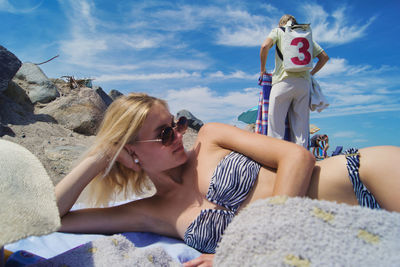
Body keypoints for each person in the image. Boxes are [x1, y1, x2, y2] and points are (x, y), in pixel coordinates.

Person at [56, 93, 400, 267]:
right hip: (345, 234)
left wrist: (247, 248)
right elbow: (55, 218)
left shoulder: (210, 138)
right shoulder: (152, 213)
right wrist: (98, 157)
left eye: (176, 124)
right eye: (163, 134)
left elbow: (297, 156)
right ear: (132, 154)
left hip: (366, 179)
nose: (178, 135)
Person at [260, 14, 329, 148]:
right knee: (301, 128)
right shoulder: (305, 36)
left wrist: (262, 70)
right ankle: (302, 160)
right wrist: (311, 73)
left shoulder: (278, 31)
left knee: (276, 126)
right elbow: (324, 57)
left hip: (282, 81)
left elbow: (264, 46)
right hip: (303, 84)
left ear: (281, 23)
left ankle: (275, 161)